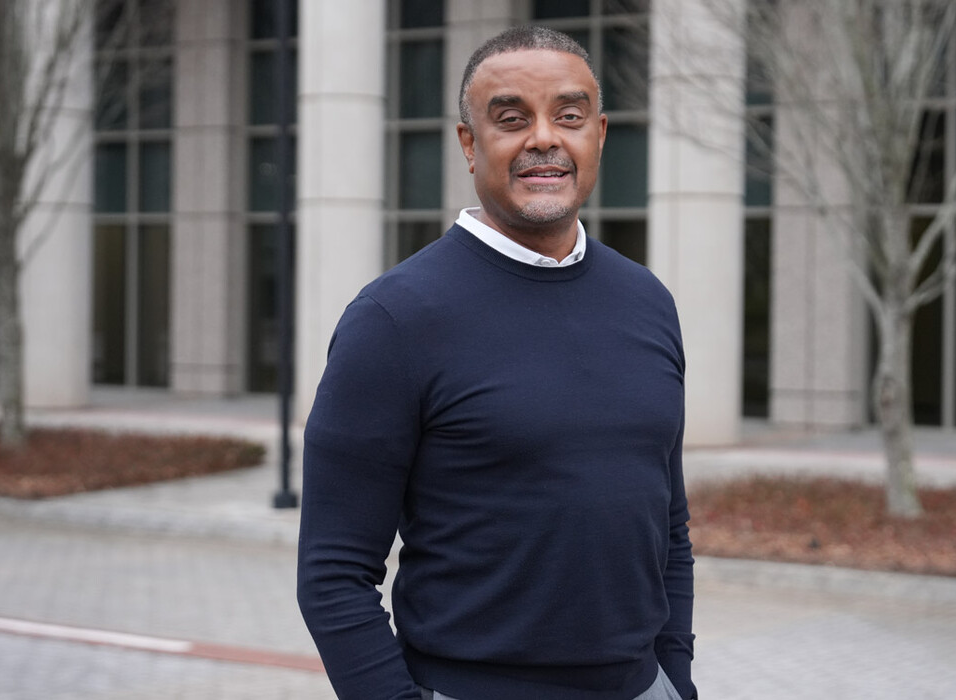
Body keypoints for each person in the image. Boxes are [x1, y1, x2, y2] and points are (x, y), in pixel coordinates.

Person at [297, 25, 695, 700]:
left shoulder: (647, 301)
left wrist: (676, 679)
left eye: (568, 116)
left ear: (598, 134)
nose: (544, 138)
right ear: (468, 143)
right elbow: (333, 572)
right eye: (511, 120)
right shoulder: (394, 320)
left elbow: (669, 529)